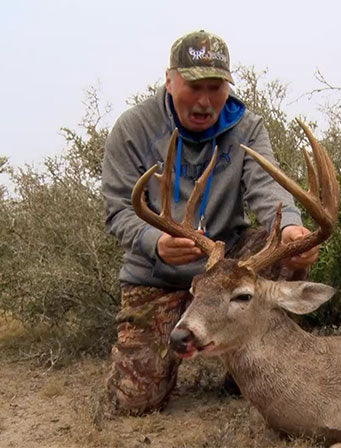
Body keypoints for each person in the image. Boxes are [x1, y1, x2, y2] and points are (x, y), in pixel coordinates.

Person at [101, 29, 318, 414]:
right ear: (170, 80)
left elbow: (268, 189)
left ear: (228, 85)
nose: (204, 101)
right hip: (157, 275)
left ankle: (248, 368)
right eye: (194, 85)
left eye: (215, 87)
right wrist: (156, 242)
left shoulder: (245, 126)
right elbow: (118, 210)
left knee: (285, 253)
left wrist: (291, 228)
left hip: (224, 270)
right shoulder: (133, 129)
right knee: (134, 402)